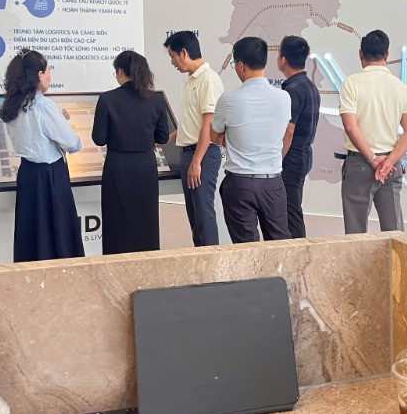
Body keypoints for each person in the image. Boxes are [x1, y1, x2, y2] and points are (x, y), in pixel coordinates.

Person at [0, 49, 83, 262]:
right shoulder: (44, 105)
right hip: (51, 176)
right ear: (39, 75)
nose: (49, 76)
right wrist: (64, 124)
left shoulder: (13, 105)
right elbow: (72, 143)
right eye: (48, 71)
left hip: (27, 173)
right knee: (58, 231)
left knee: (32, 232)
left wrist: (58, 119)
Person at [211, 37, 292, 242]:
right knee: (280, 245)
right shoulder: (284, 97)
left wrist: (231, 138)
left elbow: (214, 135)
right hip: (273, 183)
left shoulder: (229, 99)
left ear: (240, 65)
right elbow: (283, 132)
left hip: (239, 183)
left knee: (245, 249)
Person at [339, 29, 407, 233]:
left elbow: (350, 126)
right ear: (387, 55)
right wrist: (388, 162)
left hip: (359, 163)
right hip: (391, 165)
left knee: (355, 231)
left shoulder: (351, 84)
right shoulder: (402, 88)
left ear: (360, 54)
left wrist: (374, 160)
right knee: (394, 231)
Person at [91, 50, 169, 255]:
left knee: (116, 220)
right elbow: (162, 137)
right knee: (146, 218)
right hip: (145, 166)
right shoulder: (156, 100)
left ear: (119, 72)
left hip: (117, 166)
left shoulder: (107, 99)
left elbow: (99, 138)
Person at [164, 31, 225, 246]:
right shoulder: (190, 81)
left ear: (184, 52)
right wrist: (163, 140)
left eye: (173, 56)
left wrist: (197, 162)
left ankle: (211, 260)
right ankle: (199, 257)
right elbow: (189, 124)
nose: (172, 62)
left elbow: (208, 124)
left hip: (203, 154)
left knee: (203, 214)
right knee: (195, 216)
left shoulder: (208, 79)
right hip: (189, 153)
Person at [277, 35, 321, 238]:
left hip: (290, 160)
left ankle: (298, 252)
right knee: (292, 210)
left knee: (290, 213)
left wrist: (277, 160)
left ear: (283, 60)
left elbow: (288, 131)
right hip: (303, 156)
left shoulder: (292, 90)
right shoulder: (310, 86)